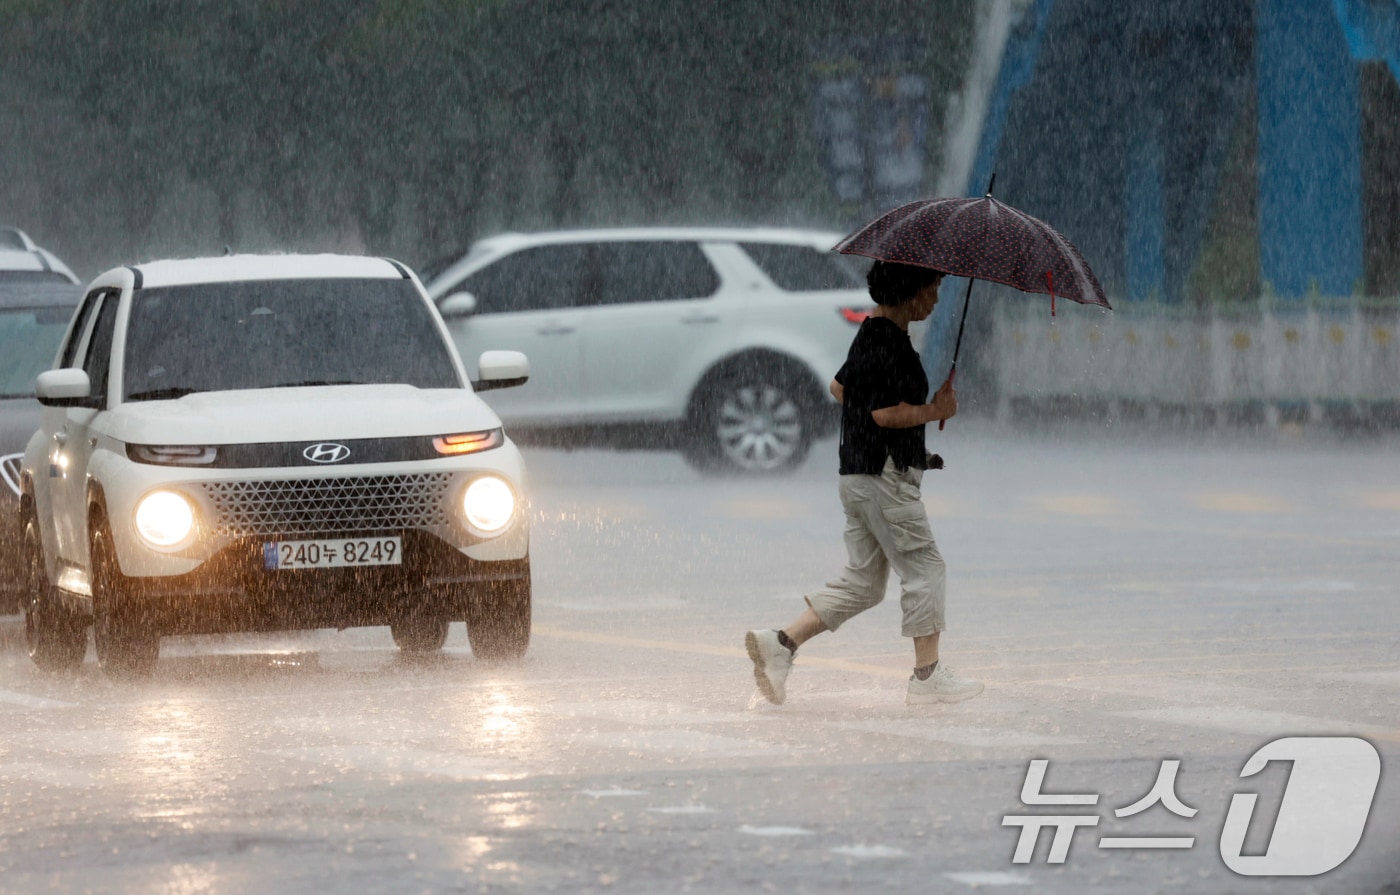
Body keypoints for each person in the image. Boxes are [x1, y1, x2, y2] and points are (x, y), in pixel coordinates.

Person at [744, 260, 983, 706]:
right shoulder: (884, 342)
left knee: (865, 585)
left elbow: (841, 389)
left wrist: (915, 451)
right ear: (911, 291)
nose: (935, 298)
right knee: (925, 567)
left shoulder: (874, 334)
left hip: (862, 473)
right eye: (932, 288)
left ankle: (781, 645)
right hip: (881, 479)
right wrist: (935, 413)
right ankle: (927, 676)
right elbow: (883, 413)